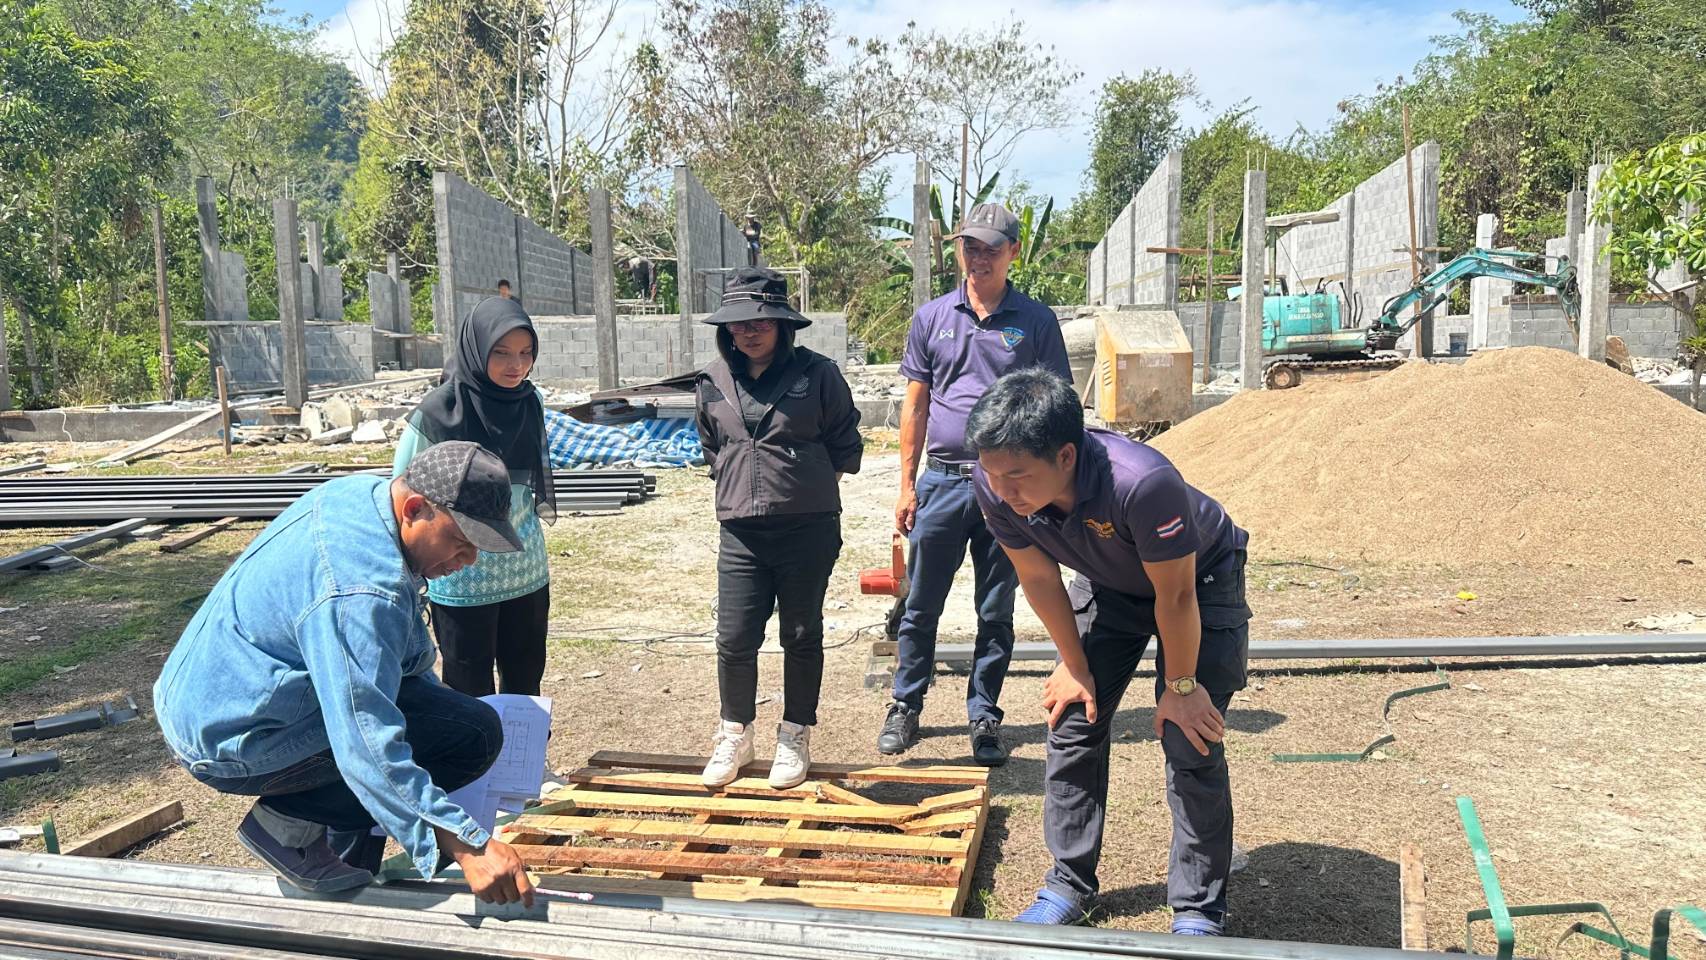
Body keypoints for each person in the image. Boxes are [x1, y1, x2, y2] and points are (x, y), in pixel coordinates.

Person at [154, 441, 537, 904]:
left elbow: (404, 663)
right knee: (469, 738)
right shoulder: (362, 590)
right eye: (461, 542)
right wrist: (465, 842)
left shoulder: (364, 498)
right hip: (232, 736)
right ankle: (285, 826)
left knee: (453, 723)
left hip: (221, 693)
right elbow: (363, 736)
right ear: (415, 509)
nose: (468, 561)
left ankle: (342, 852)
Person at [964, 368, 1251, 935]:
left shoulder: (1142, 483)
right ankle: (1068, 883)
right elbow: (1039, 578)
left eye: (1017, 476)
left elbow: (1175, 594)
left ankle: (1198, 909)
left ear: (1066, 456)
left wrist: (1183, 689)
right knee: (1073, 717)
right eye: (994, 475)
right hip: (1109, 579)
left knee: (1187, 736)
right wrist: (1074, 666)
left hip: (1199, 580)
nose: (1003, 491)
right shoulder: (994, 477)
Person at [878, 202, 1072, 766]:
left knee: (996, 608)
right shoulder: (931, 318)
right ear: (957, 250)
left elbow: (1058, 407)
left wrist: (1051, 492)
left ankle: (984, 714)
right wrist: (906, 485)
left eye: (991, 248)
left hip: (1007, 491)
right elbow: (915, 407)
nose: (979, 257)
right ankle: (905, 705)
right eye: (970, 247)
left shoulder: (1035, 323)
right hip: (941, 483)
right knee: (920, 604)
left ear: (1013, 251)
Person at [694, 267, 863, 789]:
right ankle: (735, 735)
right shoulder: (712, 381)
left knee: (800, 633)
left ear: (782, 324)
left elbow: (845, 445)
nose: (749, 330)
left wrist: (799, 485)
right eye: (739, 322)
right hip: (741, 533)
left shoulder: (819, 374)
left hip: (806, 531)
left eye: (760, 321)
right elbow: (712, 448)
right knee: (735, 637)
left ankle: (794, 734)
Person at [395, 297, 555, 698]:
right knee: (468, 685)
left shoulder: (529, 402)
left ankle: (527, 760)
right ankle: (476, 763)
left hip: (525, 568)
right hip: (461, 572)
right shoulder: (437, 413)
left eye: (525, 353)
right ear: (476, 349)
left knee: (526, 676)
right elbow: (402, 488)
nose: (515, 365)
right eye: (500, 353)